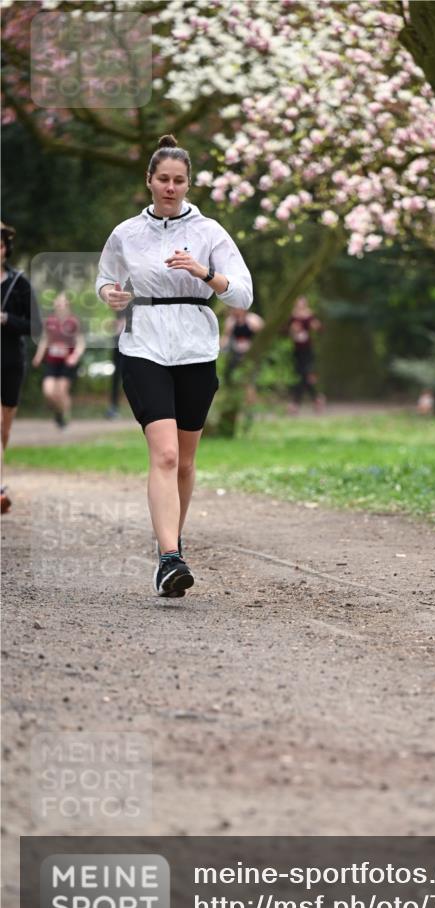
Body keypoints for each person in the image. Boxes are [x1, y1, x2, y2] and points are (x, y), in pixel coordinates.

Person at [95, 133, 253, 598]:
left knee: (184, 462)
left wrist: (204, 273)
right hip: (143, 344)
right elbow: (104, 278)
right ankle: (168, 558)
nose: (170, 187)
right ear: (149, 180)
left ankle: (172, 544)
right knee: (164, 454)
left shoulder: (209, 232)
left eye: (178, 180)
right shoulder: (126, 233)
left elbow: (243, 295)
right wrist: (110, 294)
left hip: (196, 349)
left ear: (188, 184)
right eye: (163, 178)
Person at [1, 221, 42, 513]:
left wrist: (7, 320)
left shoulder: (19, 283)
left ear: (6, 249)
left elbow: (35, 326)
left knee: (4, 429)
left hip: (11, 361)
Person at [32, 291, 85, 427]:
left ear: (68, 304)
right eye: (58, 301)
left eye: (62, 301)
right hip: (52, 361)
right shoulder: (50, 321)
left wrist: (75, 356)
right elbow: (45, 340)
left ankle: (64, 418)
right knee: (48, 392)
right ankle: (59, 412)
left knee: (61, 391)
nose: (60, 304)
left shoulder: (73, 322)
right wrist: (38, 356)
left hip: (67, 362)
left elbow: (80, 342)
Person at [286, 295, 325, 414]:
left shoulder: (309, 316)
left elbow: (320, 329)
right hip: (297, 351)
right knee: (302, 377)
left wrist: (316, 326)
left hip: (307, 350)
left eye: (302, 303)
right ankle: (316, 398)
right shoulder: (293, 317)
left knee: (304, 375)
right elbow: (285, 331)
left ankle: (295, 403)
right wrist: (292, 329)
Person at [220, 306, 264, 387]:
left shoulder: (253, 319)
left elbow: (262, 334)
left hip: (250, 349)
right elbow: (226, 336)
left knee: (251, 367)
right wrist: (220, 348)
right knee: (232, 365)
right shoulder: (231, 321)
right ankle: (230, 384)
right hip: (236, 349)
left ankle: (253, 383)